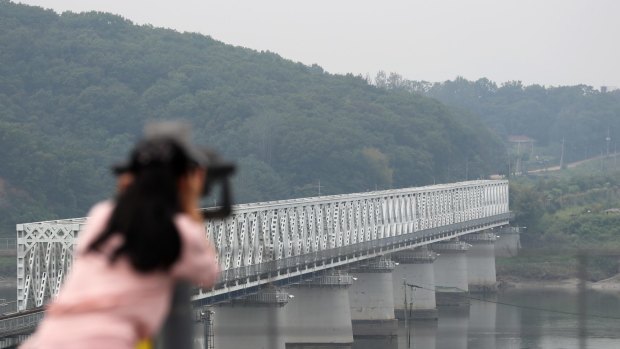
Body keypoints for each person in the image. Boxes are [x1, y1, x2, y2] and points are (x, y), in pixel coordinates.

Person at [21, 130, 220, 349]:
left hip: (47, 339)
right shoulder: (180, 232)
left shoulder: (101, 215)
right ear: (184, 182)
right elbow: (209, 275)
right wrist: (190, 206)